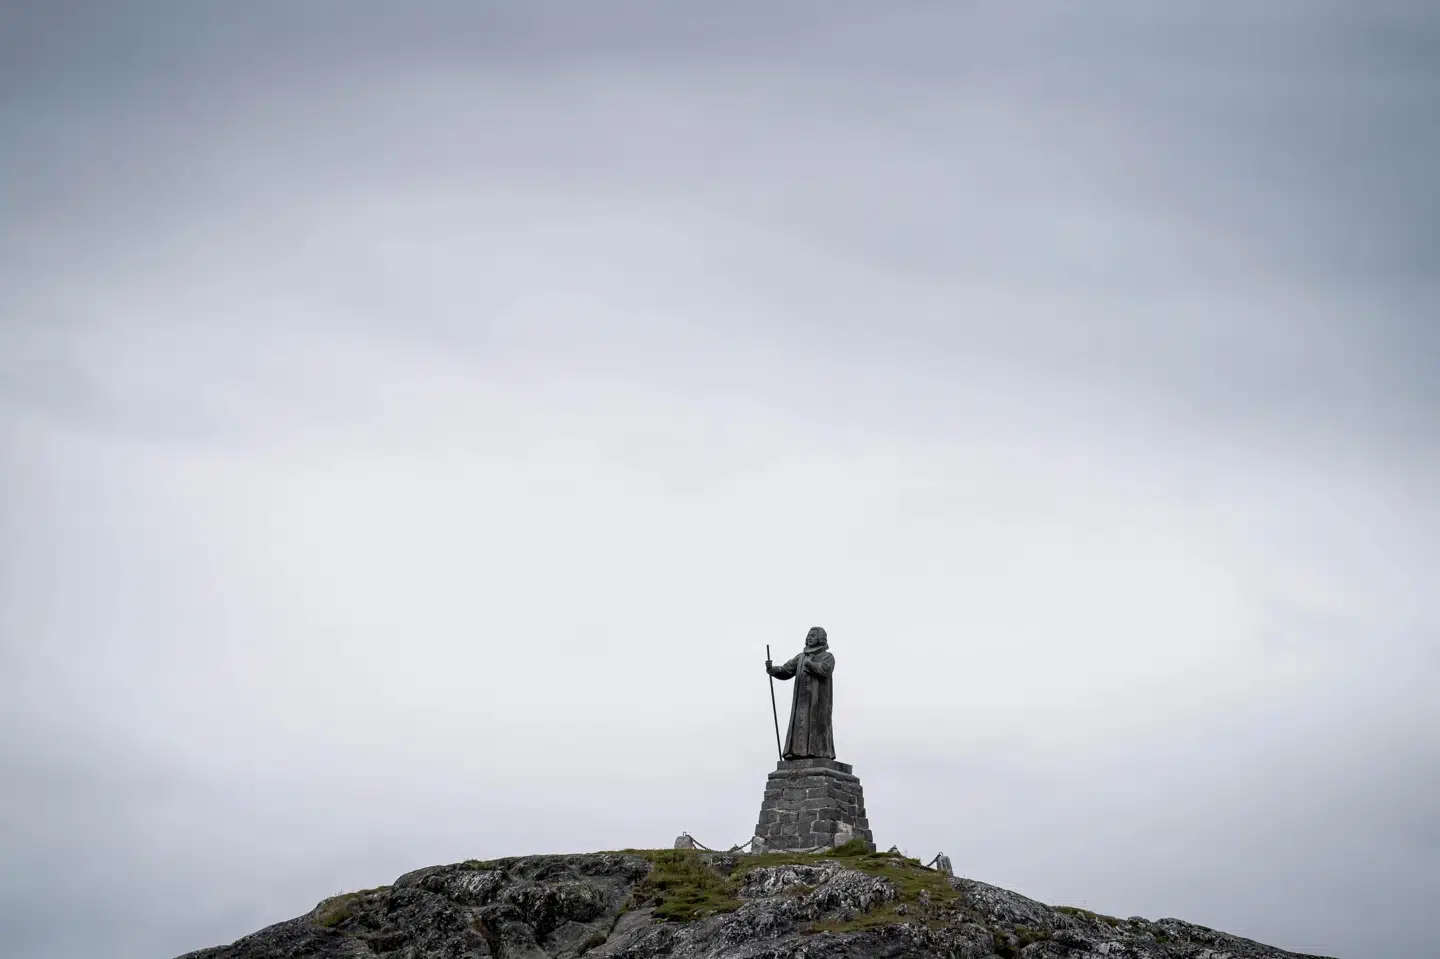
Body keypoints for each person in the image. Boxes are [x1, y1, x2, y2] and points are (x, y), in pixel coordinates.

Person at [765, 626, 836, 760]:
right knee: (799, 723)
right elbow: (786, 670)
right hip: (801, 700)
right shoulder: (801, 657)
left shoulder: (827, 656)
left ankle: (818, 752)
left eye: (813, 636)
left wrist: (810, 665)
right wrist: (772, 669)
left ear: (820, 639)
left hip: (818, 702)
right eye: (808, 635)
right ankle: (796, 752)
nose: (809, 638)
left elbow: (825, 670)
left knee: (817, 725)